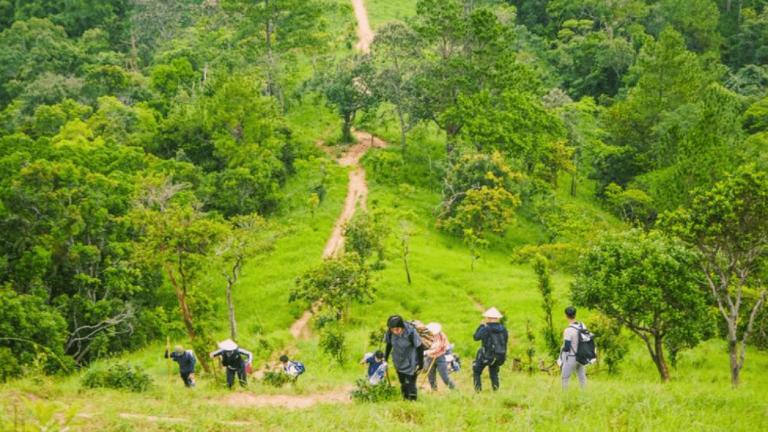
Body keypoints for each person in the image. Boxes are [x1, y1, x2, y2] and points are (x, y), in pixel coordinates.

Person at [384, 315, 423, 401]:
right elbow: (389, 345)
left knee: (411, 382)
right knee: (402, 382)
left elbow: (420, 346)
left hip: (411, 360)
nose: (395, 331)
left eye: (397, 329)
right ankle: (405, 399)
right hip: (398, 360)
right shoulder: (390, 333)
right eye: (393, 329)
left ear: (402, 327)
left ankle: (413, 400)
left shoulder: (411, 332)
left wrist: (421, 363)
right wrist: (385, 359)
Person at [472, 307, 508, 392]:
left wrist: (481, 325)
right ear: (498, 318)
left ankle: (478, 392)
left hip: (487, 356)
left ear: (488, 318)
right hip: (499, 356)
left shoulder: (486, 328)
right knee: (494, 374)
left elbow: (476, 337)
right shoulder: (503, 329)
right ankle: (496, 391)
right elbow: (505, 342)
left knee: (476, 371)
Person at [560, 306, 587, 389]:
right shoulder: (582, 326)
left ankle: (564, 396)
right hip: (582, 356)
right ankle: (584, 394)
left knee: (565, 378)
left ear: (566, 315)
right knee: (582, 377)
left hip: (572, 358)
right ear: (575, 315)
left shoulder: (568, 330)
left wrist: (562, 349)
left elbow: (567, 347)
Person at [424, 322, 456, 391]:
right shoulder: (427, 336)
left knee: (444, 376)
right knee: (431, 375)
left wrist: (426, 352)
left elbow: (438, 348)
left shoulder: (442, 336)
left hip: (440, 357)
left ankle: (454, 389)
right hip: (430, 357)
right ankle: (434, 390)